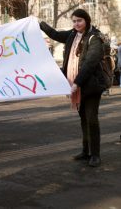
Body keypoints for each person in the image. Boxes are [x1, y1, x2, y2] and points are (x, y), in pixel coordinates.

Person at [40, 9, 106, 167]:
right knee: (83, 118)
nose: (76, 24)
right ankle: (86, 151)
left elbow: (90, 63)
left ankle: (95, 155)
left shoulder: (94, 37)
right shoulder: (72, 35)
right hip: (76, 86)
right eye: (74, 21)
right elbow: (55, 35)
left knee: (91, 119)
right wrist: (40, 24)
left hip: (90, 86)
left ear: (87, 21)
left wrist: (77, 82)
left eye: (79, 21)